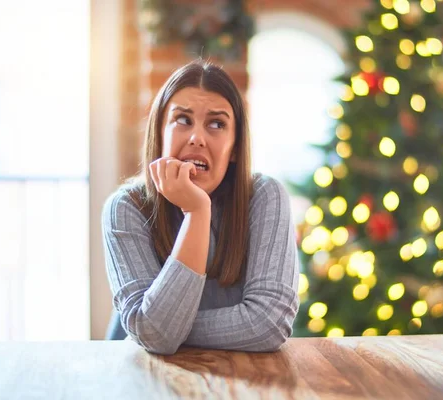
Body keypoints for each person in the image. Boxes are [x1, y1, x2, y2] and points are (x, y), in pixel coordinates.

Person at [101, 59, 300, 355]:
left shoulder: (264, 196)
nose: (197, 138)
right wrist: (197, 213)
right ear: (160, 133)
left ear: (234, 148)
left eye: (216, 124)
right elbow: (155, 334)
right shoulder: (126, 208)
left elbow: (269, 324)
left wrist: (161, 328)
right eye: (183, 120)